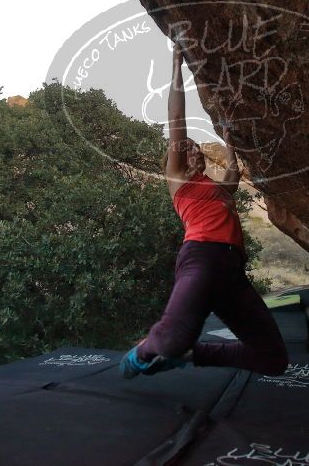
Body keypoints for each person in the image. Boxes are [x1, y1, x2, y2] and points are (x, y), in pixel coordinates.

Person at [120, 44, 288, 378]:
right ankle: (144, 350)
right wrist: (176, 66)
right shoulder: (179, 178)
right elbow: (177, 120)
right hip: (201, 256)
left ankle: (190, 355)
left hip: (231, 271)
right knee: (170, 339)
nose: (191, 151)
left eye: (195, 148)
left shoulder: (214, 188)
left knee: (273, 360)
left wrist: (228, 142)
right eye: (185, 149)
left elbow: (232, 176)